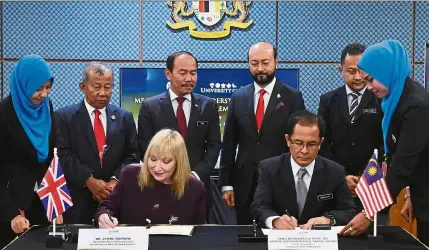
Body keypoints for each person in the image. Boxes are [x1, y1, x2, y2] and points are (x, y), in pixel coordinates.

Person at [340, 40, 429, 245]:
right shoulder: (394, 99)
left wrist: (369, 213)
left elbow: (402, 165)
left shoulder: (416, 106)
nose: (369, 88)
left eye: (371, 80)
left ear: (386, 71)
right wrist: (409, 193)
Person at [219, 42, 305, 224]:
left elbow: (300, 142)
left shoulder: (293, 97)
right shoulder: (238, 97)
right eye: (254, 63)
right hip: (244, 183)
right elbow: (228, 144)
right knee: (245, 237)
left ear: (276, 62)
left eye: (265, 62)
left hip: (281, 181)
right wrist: (226, 183)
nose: (260, 68)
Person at [138, 51, 221, 219]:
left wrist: (195, 175)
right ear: (168, 74)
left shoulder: (208, 105)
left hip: (198, 186)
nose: (189, 78)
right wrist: (166, 172)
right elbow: (145, 147)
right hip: (161, 186)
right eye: (182, 73)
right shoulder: (150, 107)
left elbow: (214, 145)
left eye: (193, 73)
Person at [56, 62, 140, 224]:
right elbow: (63, 155)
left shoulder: (125, 117)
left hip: (115, 199)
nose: (103, 93)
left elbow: (133, 154)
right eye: (97, 87)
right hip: (78, 201)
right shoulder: (64, 117)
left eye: (108, 87)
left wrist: (115, 181)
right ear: (83, 86)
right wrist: (88, 180)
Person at [251, 111, 356, 229]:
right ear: (287, 140)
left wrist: (328, 219)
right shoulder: (269, 168)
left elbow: (349, 210)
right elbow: (259, 206)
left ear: (320, 142)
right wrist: (275, 220)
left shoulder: (335, 172)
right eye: (298, 143)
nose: (304, 151)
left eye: (312, 144)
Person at [318, 43, 383, 211]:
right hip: (336, 184)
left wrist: (367, 174)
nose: (358, 77)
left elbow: (384, 143)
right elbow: (322, 143)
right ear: (341, 71)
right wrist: (341, 176)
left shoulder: (380, 98)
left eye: (361, 71)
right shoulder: (328, 100)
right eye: (351, 71)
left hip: (371, 181)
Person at [96, 129, 206, 227]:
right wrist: (104, 215)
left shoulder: (195, 188)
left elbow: (200, 233)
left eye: (166, 161)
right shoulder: (130, 175)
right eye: (153, 159)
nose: (157, 168)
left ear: (179, 162)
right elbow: (108, 206)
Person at [0, 55, 56, 248]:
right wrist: (11, 214)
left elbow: (51, 159)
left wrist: (55, 203)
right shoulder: (4, 114)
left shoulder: (46, 108)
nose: (44, 94)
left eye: (48, 87)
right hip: (12, 209)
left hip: (42, 204)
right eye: (38, 88)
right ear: (23, 85)